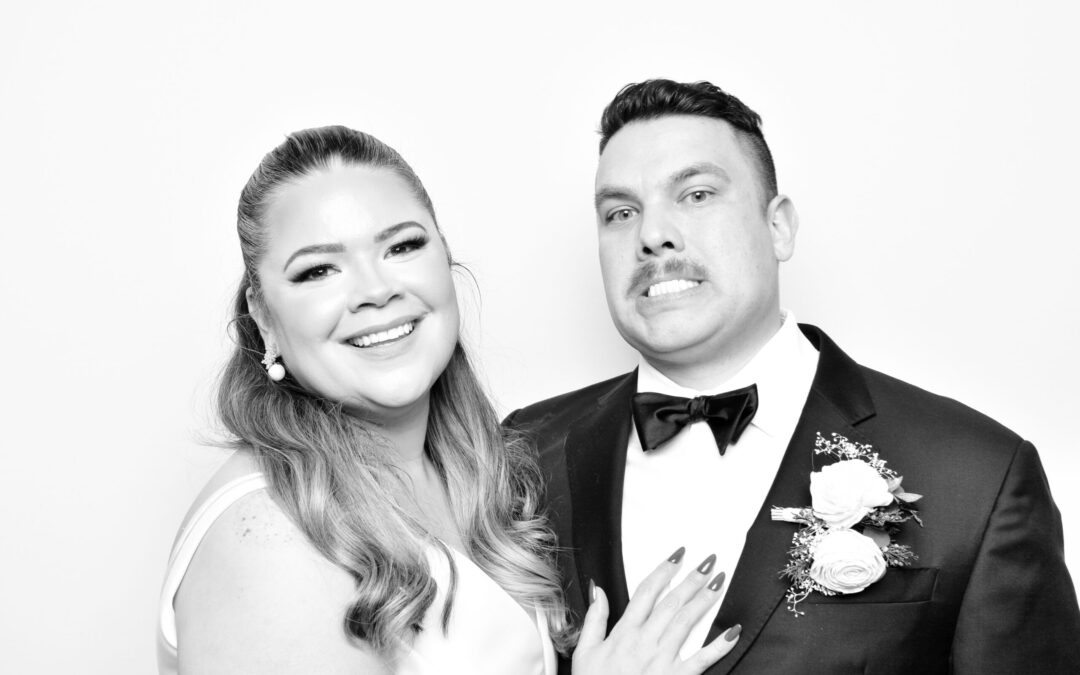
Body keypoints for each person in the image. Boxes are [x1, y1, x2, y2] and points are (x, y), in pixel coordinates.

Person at [505, 79, 1080, 674]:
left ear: (778, 227)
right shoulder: (519, 456)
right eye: (621, 213)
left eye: (697, 195)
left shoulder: (976, 473)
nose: (652, 235)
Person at [156, 125, 742, 674]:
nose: (375, 291)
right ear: (263, 317)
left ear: (444, 258)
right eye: (318, 271)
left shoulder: (477, 477)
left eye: (401, 247)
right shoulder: (266, 538)